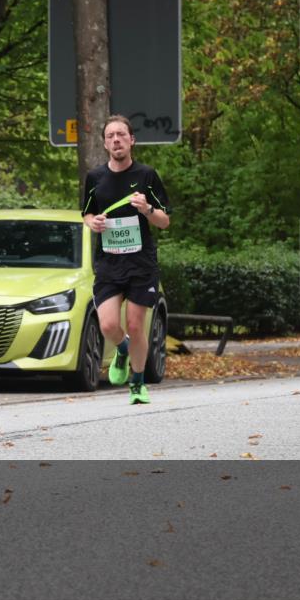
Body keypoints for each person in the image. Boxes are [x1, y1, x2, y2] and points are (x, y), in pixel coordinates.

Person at [81, 115, 171, 404]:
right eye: (110, 136)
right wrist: (92, 223)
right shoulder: (95, 178)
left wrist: (146, 209)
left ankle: (137, 382)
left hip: (141, 264)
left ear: (132, 140)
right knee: (107, 325)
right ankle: (122, 350)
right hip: (108, 263)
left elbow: (164, 221)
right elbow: (87, 213)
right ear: (105, 143)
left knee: (135, 324)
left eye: (121, 134)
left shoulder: (147, 175)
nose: (116, 140)